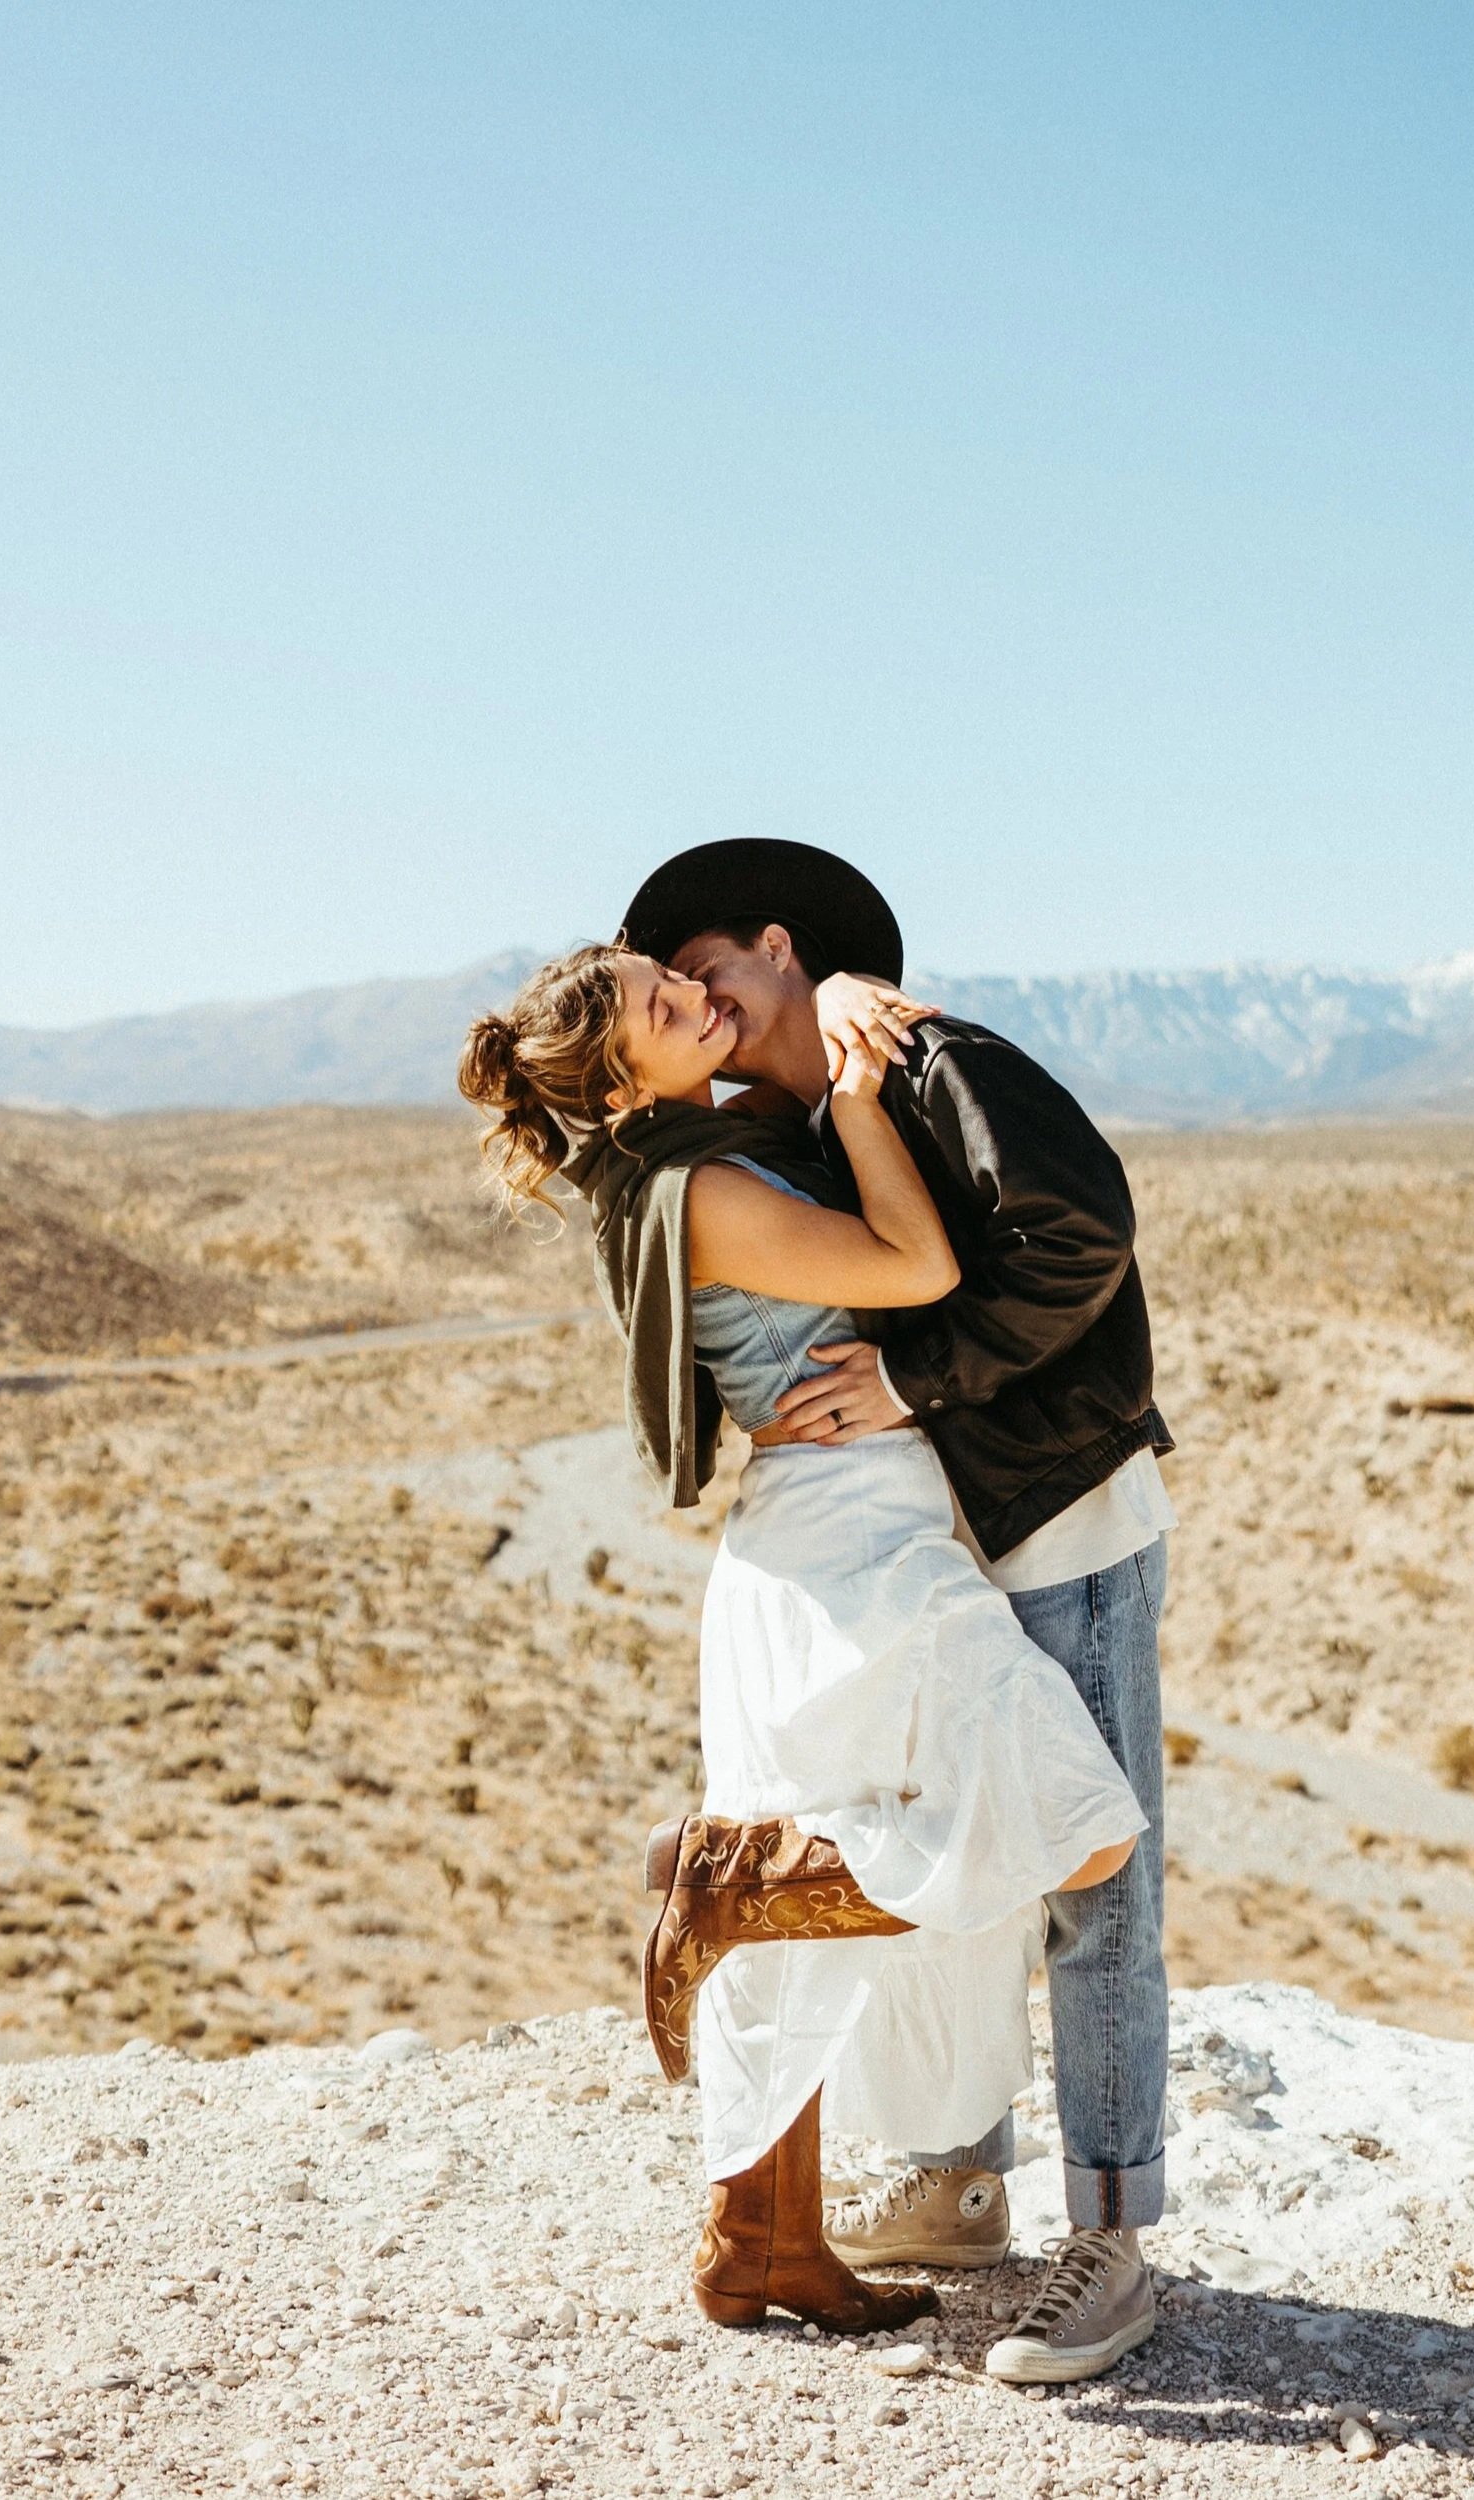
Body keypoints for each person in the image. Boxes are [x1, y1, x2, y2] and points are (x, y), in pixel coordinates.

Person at [455, 942, 1147, 2347]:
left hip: (819, 1544)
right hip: (858, 1549)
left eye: (684, 980)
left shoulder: (682, 1159)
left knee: (829, 1925)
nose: (697, 1003)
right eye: (666, 1008)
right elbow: (921, 1262)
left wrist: (822, 999)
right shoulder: (702, 1185)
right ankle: (732, 1890)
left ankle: (758, 2243)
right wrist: (857, 1103)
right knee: (1083, 1838)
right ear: (622, 1084)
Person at [622, 838, 1176, 2388]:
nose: (700, 1000)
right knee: (971, 1840)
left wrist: (915, 1380)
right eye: (676, 991)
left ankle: (1115, 2238)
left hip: (1058, 1510)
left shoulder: (934, 1056)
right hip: (940, 1530)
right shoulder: (797, 1116)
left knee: (1091, 1866)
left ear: (782, 947)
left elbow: (1082, 1237)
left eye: (709, 966)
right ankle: (958, 2178)